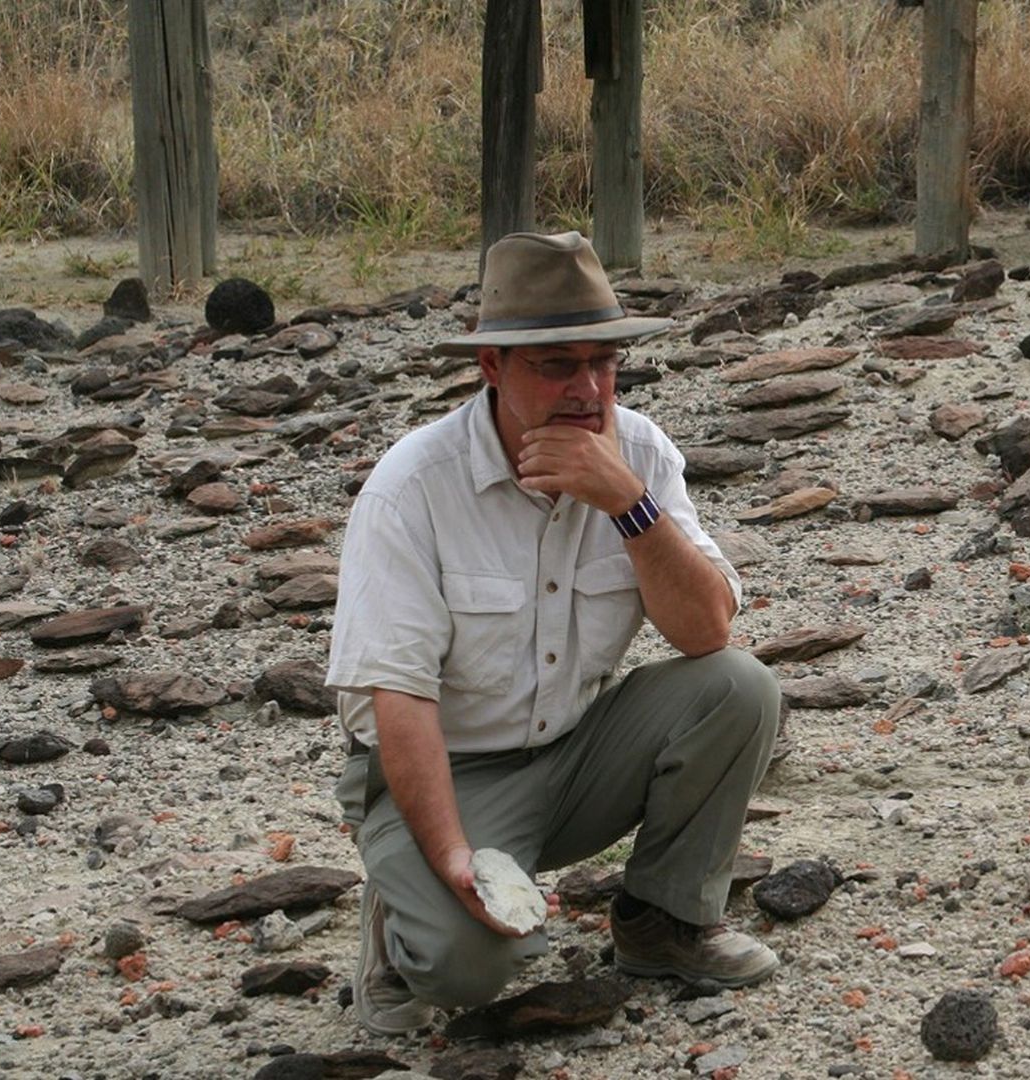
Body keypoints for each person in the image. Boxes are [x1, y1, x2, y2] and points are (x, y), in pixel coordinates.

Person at [326, 230, 783, 1036]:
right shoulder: (412, 488)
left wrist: (630, 506)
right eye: (557, 364)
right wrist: (451, 860)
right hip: (441, 772)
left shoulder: (639, 452)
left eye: (603, 361)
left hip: (575, 755)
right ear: (493, 368)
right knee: (467, 973)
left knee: (738, 687)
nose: (589, 388)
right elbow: (398, 700)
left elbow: (707, 630)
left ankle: (663, 924)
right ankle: (397, 923)